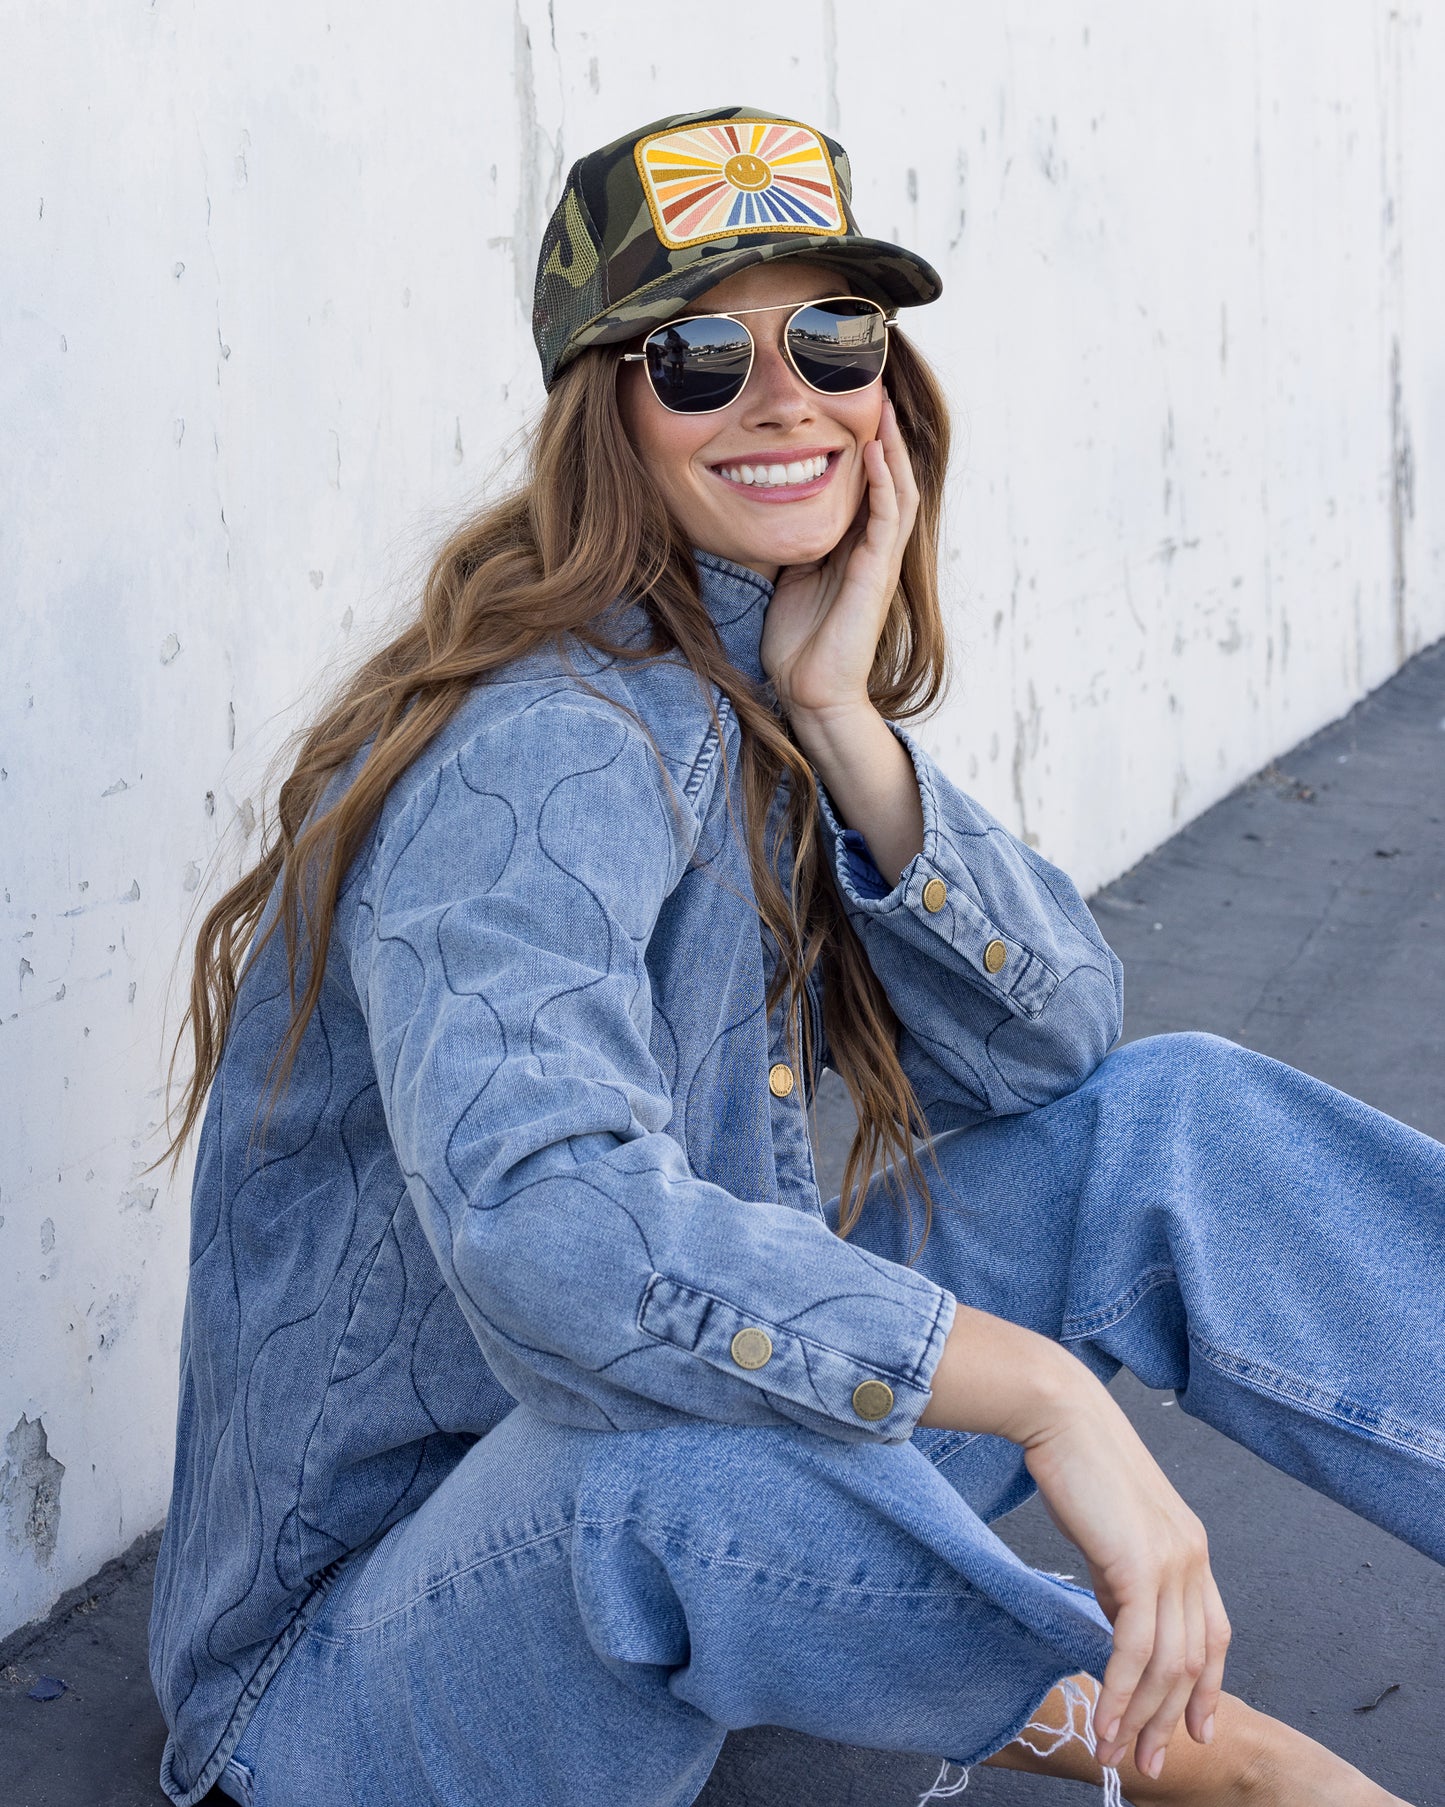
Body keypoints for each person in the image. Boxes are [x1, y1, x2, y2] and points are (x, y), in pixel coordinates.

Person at [147, 106, 1441, 1807]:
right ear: (603, 411)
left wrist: (843, 723)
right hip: (365, 1674)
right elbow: (553, 1237)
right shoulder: (545, 744)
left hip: (665, 1498)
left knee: (1168, 1126)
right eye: (698, 355)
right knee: (674, 1431)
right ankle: (1211, 1761)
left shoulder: (743, 680)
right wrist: (1042, 1395)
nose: (783, 396)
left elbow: (1057, 1050)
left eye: (833, 336)